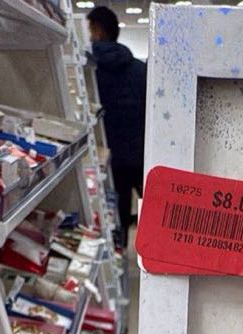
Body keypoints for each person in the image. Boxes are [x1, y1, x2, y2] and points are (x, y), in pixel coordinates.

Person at [87, 7, 146, 247]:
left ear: (98, 30)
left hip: (109, 159)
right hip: (142, 155)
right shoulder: (140, 70)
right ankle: (166, 263)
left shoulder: (88, 71)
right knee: (159, 214)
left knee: (116, 222)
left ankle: (119, 259)